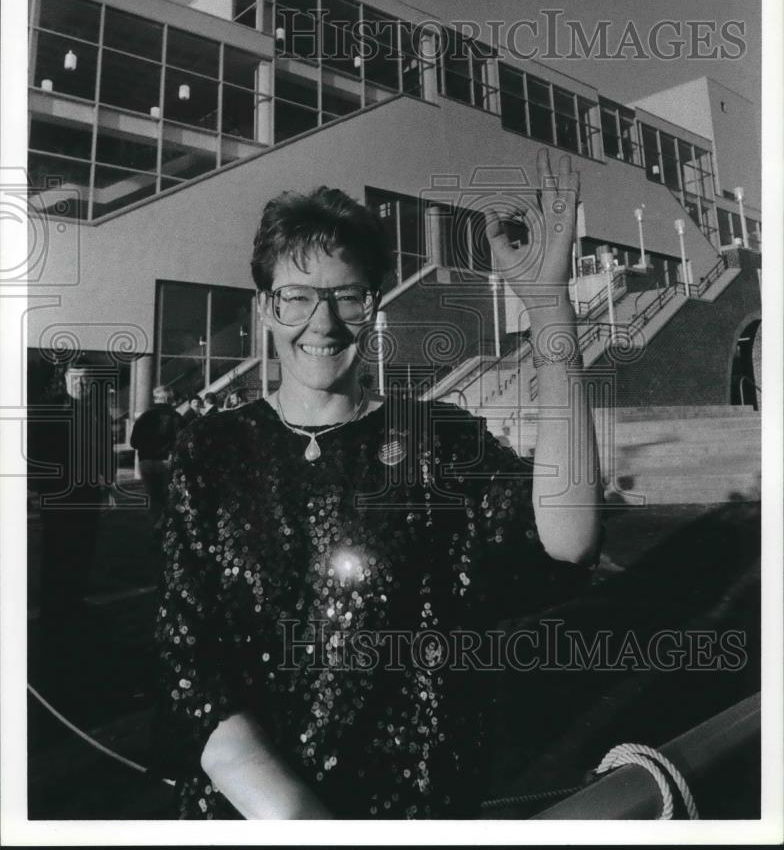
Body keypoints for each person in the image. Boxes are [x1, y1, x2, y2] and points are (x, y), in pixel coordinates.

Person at [155, 152, 602, 820]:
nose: (323, 322)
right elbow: (190, 664)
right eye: (298, 296)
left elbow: (568, 543)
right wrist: (296, 816)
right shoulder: (211, 452)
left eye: (347, 296)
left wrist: (549, 312)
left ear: (375, 305)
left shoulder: (439, 444)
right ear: (265, 307)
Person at [29, 364, 115, 630]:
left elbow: (105, 448)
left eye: (86, 380)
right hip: (57, 493)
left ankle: (75, 602)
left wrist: (109, 485)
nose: (81, 385)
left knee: (84, 547)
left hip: (88, 493)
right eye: (76, 379)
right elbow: (35, 451)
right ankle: (53, 609)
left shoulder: (99, 411)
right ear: (66, 380)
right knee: (57, 550)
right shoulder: (49, 410)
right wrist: (34, 488)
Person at [130, 385, 181, 527]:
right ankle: (166, 529)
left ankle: (155, 527)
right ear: (168, 398)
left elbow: (134, 442)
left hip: (146, 460)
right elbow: (181, 440)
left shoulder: (144, 417)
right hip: (166, 460)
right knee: (168, 497)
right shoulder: (175, 417)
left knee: (152, 498)